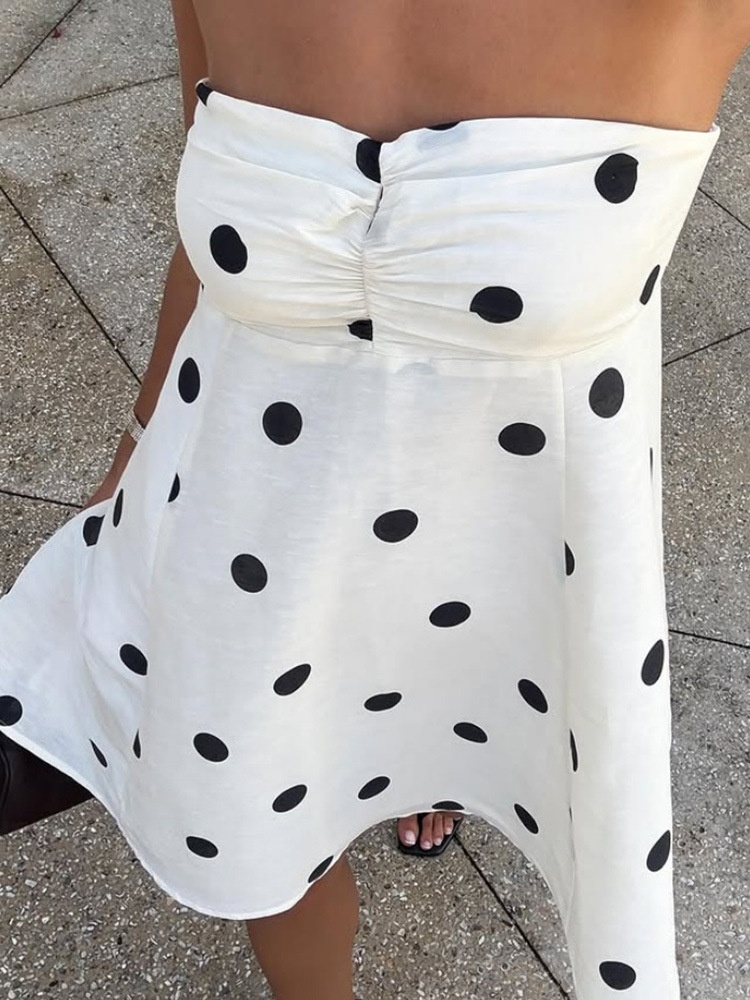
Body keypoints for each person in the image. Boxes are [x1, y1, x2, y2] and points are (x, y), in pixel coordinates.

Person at [0, 2, 748, 999]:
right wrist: (136, 448)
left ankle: (432, 756)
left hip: (522, 533)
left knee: (460, 713)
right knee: (260, 813)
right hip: (263, 509)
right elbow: (205, 233)